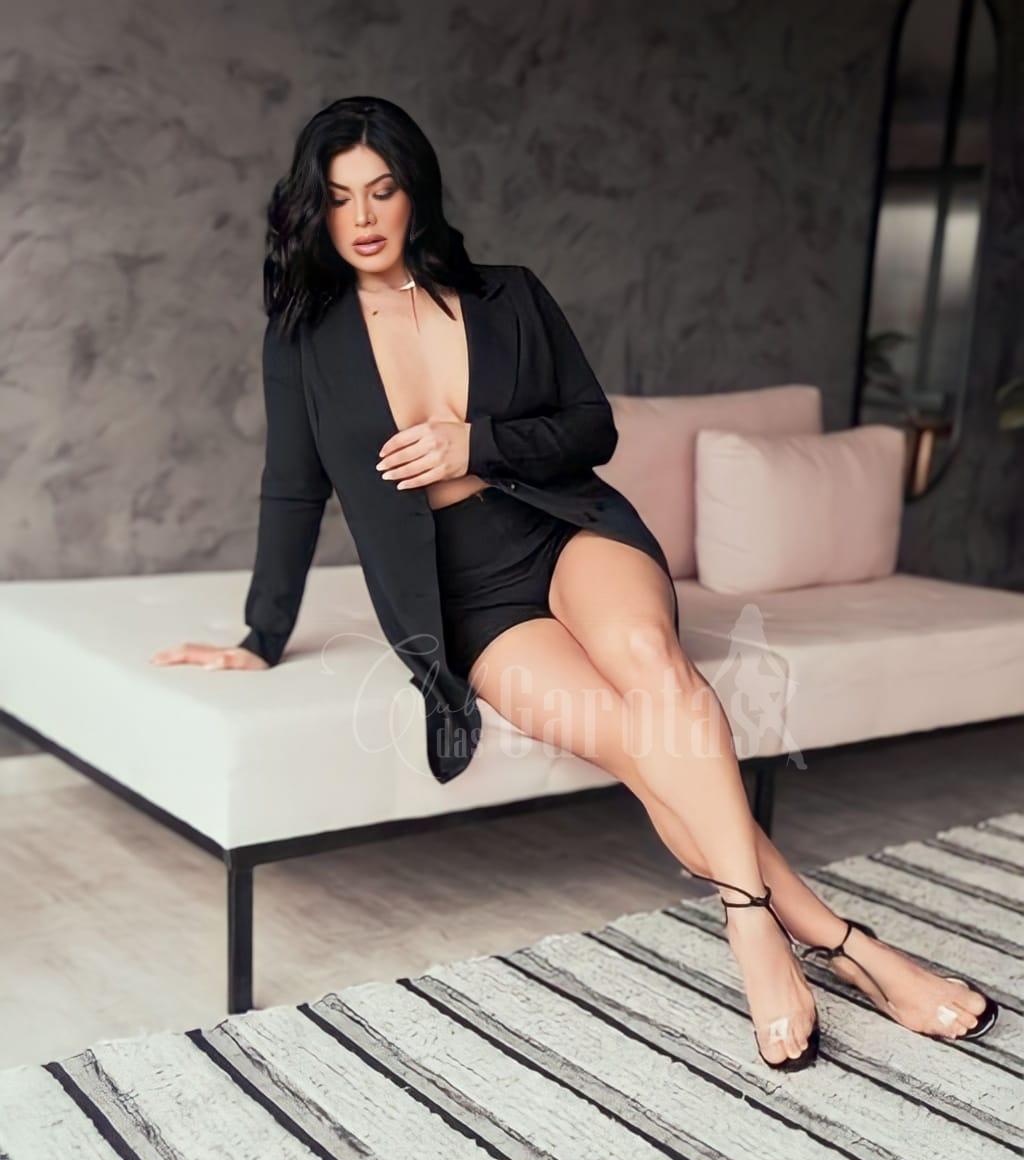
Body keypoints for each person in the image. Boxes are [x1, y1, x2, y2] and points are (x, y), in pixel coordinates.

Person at [150, 96, 998, 1068]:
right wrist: (260, 635)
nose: (364, 216)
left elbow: (592, 427)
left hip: (566, 528)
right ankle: (846, 944)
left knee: (652, 664)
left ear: (414, 191)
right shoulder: (303, 338)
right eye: (340, 198)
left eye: (381, 190)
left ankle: (750, 928)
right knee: (641, 743)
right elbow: (292, 490)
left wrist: (475, 443)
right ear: (317, 209)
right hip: (465, 594)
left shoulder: (508, 295)